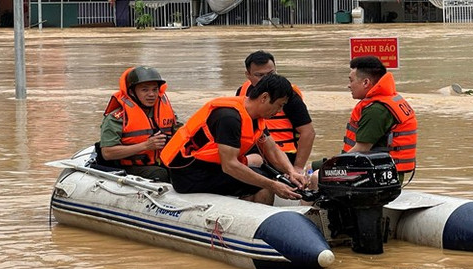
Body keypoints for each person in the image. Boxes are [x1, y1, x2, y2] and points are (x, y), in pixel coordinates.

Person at [160, 74, 306, 205]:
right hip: (190, 175)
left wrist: (291, 172)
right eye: (279, 105)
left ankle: (249, 204)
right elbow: (229, 166)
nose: (279, 111)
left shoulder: (255, 116)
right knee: (263, 183)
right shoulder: (229, 118)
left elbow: (272, 149)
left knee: (265, 175)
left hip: (212, 169)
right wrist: (272, 185)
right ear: (264, 98)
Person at [310, 56, 417, 189]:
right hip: (382, 170)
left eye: (351, 80)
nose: (349, 85)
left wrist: (323, 165)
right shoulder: (388, 99)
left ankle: (315, 210)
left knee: (315, 177)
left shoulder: (376, 110)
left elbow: (360, 150)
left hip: (378, 174)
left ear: (366, 82)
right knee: (314, 169)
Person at [236, 51, 315, 173]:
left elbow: (308, 133)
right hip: (253, 152)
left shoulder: (289, 95)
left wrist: (298, 168)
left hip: (284, 154)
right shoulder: (242, 91)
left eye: (271, 73)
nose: (267, 79)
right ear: (248, 75)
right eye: (260, 75)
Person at [97, 66, 179, 182]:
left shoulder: (167, 112)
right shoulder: (117, 118)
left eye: (155, 89)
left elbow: (182, 133)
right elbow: (107, 153)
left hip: (161, 161)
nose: (151, 94)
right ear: (132, 92)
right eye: (145, 90)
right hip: (129, 166)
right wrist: (146, 146)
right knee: (160, 174)